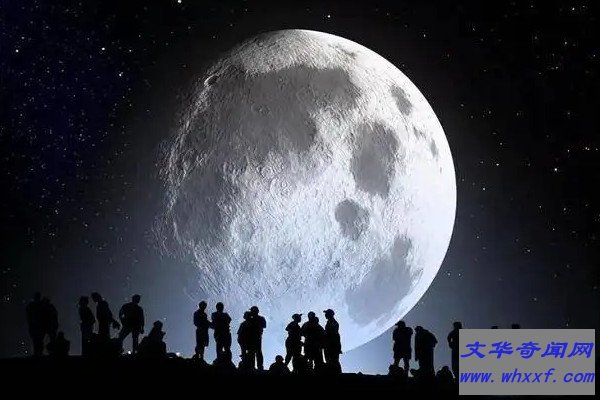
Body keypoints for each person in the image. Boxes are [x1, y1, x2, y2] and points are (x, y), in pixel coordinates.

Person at [248, 305, 266, 370]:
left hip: (256, 337)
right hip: (254, 337)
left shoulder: (253, 319)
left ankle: (256, 367)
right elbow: (264, 325)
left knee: (255, 352)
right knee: (255, 352)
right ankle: (257, 367)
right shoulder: (258, 318)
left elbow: (264, 325)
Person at [26, 292, 44, 356]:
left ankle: (37, 353)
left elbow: (28, 315)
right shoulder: (41, 305)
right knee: (38, 340)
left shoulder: (31, 305)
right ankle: (38, 353)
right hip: (37, 326)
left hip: (35, 326)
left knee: (36, 341)